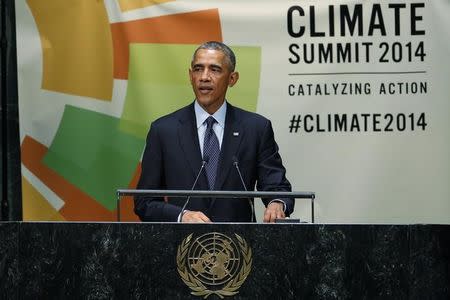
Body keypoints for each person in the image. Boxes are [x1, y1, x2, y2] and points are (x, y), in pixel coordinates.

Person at [134, 41, 293, 223]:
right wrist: (181, 216)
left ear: (232, 79)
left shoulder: (256, 128)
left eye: (215, 70)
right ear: (190, 75)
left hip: (239, 245)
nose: (204, 77)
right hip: (182, 245)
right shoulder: (163, 131)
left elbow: (277, 186)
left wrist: (276, 203)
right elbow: (144, 202)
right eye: (198, 69)